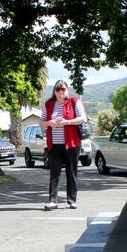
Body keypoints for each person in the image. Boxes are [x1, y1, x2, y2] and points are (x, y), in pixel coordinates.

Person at [39, 79, 87, 210]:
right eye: (58, 90)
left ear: (67, 90)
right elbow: (41, 122)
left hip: (72, 144)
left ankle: (72, 200)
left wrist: (67, 122)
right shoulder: (48, 104)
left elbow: (83, 118)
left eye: (63, 89)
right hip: (54, 145)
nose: (60, 92)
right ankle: (53, 201)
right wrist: (50, 123)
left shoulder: (74, 101)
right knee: (54, 173)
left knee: (71, 172)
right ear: (54, 92)